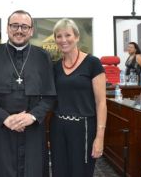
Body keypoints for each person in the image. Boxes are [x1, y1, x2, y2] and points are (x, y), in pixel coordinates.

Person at [0, 10, 56, 177]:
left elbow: (50, 96)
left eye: (24, 26)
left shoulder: (43, 57)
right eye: (14, 25)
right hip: (1, 129)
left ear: (31, 30)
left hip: (33, 129)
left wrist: (31, 117)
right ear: (7, 28)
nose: (19, 30)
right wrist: (5, 118)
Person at [50, 18, 107, 177]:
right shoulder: (55, 66)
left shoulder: (92, 63)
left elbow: (101, 102)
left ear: (77, 37)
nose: (63, 40)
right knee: (59, 172)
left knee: (80, 173)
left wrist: (100, 137)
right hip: (58, 127)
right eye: (59, 36)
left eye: (68, 35)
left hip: (84, 128)